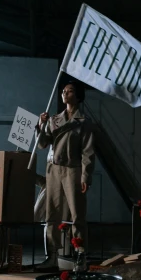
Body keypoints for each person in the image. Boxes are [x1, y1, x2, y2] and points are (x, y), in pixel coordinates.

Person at [37, 81, 95, 267]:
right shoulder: (54, 120)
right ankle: (52, 255)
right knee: (52, 213)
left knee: (77, 213)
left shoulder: (83, 122)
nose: (65, 94)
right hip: (53, 169)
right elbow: (42, 144)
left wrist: (86, 175)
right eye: (63, 91)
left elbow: (88, 152)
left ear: (78, 96)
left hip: (73, 170)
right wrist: (41, 124)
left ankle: (81, 254)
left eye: (70, 91)